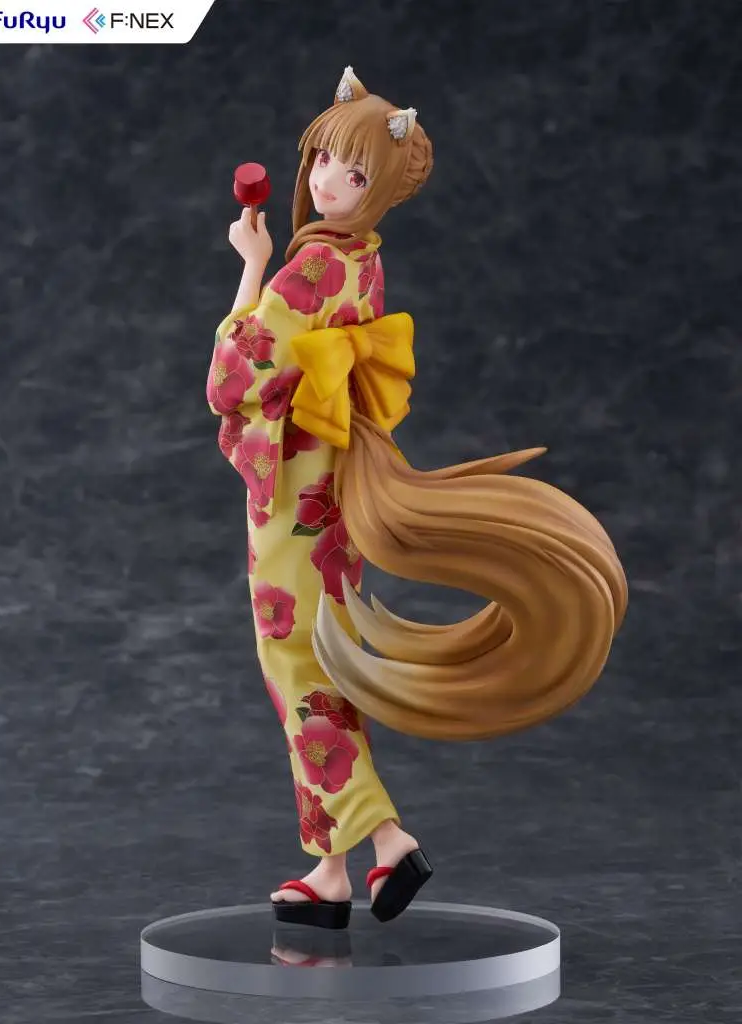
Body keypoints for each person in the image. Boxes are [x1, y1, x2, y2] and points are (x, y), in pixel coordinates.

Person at [206, 67, 628, 930]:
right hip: (332, 489)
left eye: (354, 172)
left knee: (298, 669)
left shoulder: (308, 267)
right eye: (323, 158)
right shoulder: (361, 258)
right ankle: (332, 870)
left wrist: (250, 270)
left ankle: (388, 841)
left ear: (384, 188)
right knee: (321, 668)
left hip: (296, 492)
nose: (328, 179)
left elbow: (231, 374)